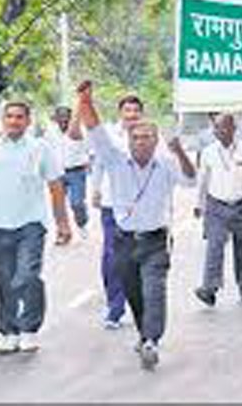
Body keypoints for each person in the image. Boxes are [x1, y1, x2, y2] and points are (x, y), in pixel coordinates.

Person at [76, 81, 195, 371]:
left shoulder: (166, 162)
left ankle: (152, 340)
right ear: (128, 140)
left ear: (156, 141)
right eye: (137, 137)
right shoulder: (115, 160)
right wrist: (85, 101)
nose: (141, 141)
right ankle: (145, 332)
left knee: (154, 290)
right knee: (134, 292)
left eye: (147, 137)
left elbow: (190, 180)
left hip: (155, 239)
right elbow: (95, 130)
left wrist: (179, 152)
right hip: (124, 240)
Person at [0, 101, 72, 355]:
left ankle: (29, 329)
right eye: (10, 117)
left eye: (19, 117)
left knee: (26, 276)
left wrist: (62, 222)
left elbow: (55, 186)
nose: (14, 121)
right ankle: (9, 332)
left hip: (31, 225)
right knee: (4, 282)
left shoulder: (40, 149)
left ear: (27, 121)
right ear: (3, 121)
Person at [194, 114, 242, 306]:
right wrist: (198, 204)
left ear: (234, 128)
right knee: (214, 246)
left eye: (225, 127)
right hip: (216, 205)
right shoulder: (209, 152)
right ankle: (209, 288)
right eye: (217, 128)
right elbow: (202, 181)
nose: (221, 132)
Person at [90, 94, 146, 330]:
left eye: (135, 111)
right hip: (112, 204)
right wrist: (95, 189)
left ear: (141, 114)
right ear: (120, 113)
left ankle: (138, 304)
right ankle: (115, 307)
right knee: (112, 257)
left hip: (141, 207)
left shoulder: (149, 136)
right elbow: (99, 164)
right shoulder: (110, 135)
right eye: (127, 110)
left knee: (138, 256)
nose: (131, 115)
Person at [47, 106, 90, 242]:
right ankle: (62, 232)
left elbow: (89, 149)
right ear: (56, 120)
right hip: (57, 173)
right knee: (58, 205)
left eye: (66, 119)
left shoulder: (80, 131)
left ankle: (82, 223)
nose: (64, 122)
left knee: (76, 203)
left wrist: (88, 161)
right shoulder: (50, 132)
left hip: (76, 171)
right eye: (61, 119)